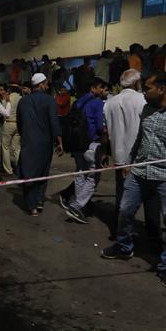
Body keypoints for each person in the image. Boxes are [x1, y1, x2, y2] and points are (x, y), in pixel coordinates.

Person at [101, 71, 166, 289]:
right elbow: (140, 139)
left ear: (162, 89)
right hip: (139, 172)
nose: (143, 91)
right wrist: (129, 162)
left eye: (147, 88)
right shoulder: (147, 108)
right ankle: (124, 246)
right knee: (125, 211)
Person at [17, 73, 63, 215]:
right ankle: (39, 201)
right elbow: (54, 123)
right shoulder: (50, 100)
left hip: (28, 141)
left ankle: (32, 206)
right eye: (46, 84)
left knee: (28, 172)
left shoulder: (23, 101)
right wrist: (59, 141)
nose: (47, 86)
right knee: (43, 172)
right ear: (41, 84)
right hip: (44, 143)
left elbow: (20, 123)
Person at [61, 78, 106, 224]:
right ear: (93, 88)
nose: (101, 90)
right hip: (91, 143)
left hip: (76, 143)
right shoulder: (97, 103)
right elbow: (99, 126)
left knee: (80, 174)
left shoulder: (78, 102)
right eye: (100, 88)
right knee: (93, 177)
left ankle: (80, 204)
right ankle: (77, 205)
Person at [102, 69, 147, 216]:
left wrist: (104, 152)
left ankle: (118, 226)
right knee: (138, 196)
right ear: (137, 82)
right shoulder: (142, 100)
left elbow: (105, 131)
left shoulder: (109, 102)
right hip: (138, 156)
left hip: (118, 155)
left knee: (121, 192)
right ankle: (125, 228)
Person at [0, 83, 21, 176]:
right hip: (18, 124)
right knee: (17, 148)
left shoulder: (7, 98)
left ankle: (8, 170)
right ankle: (20, 168)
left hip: (8, 123)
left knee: (5, 147)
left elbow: (4, 112)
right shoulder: (21, 98)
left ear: (10, 89)